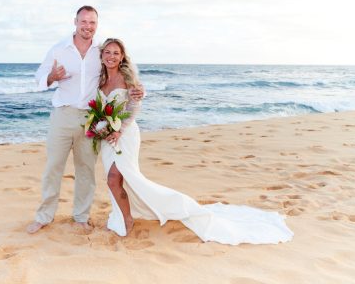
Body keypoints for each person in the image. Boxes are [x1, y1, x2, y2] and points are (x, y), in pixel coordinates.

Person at [98, 38, 294, 244]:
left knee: (116, 177)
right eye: (108, 52)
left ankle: (129, 219)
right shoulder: (100, 80)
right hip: (107, 137)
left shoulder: (128, 78)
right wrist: (99, 126)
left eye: (116, 53)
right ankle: (121, 215)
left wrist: (121, 129)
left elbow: (134, 107)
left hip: (126, 136)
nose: (111, 56)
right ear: (102, 55)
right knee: (117, 180)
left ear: (122, 57)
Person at [27, 6, 143, 234]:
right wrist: (52, 77)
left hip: (91, 118)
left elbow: (123, 71)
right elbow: (39, 77)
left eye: (92, 22)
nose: (87, 26)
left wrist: (140, 90)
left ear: (96, 25)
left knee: (86, 170)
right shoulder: (59, 49)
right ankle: (44, 216)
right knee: (53, 168)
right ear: (75, 22)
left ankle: (81, 216)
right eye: (84, 22)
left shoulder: (102, 50)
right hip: (62, 115)